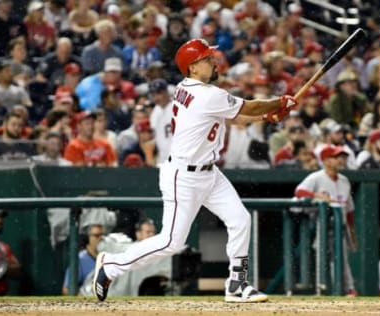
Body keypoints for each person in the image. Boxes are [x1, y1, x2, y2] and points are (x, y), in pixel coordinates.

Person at [92, 38, 298, 303]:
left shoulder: (190, 88)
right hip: (184, 176)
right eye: (206, 59)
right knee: (171, 242)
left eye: (211, 57)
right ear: (192, 67)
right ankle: (111, 265)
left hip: (209, 173)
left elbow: (235, 114)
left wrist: (267, 116)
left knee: (240, 219)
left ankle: (237, 284)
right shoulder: (206, 94)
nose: (213, 61)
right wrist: (279, 103)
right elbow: (249, 106)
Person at [294, 145, 357, 296]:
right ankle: (320, 289)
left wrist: (353, 236)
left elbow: (349, 211)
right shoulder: (316, 177)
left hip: (339, 227)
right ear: (326, 160)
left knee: (342, 260)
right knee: (320, 260)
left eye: (342, 157)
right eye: (336, 157)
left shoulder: (344, 181)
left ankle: (348, 289)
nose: (341, 160)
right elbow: (299, 191)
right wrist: (317, 196)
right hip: (319, 226)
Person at [62, 224, 105, 295]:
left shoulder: (109, 258)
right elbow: (66, 289)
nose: (100, 239)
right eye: (97, 236)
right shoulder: (80, 260)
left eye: (102, 236)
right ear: (87, 239)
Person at [0, 209, 22, 296]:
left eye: (1, 217)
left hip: (0, 297)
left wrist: (2, 265)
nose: (0, 221)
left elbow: (18, 271)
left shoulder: (2, 247)